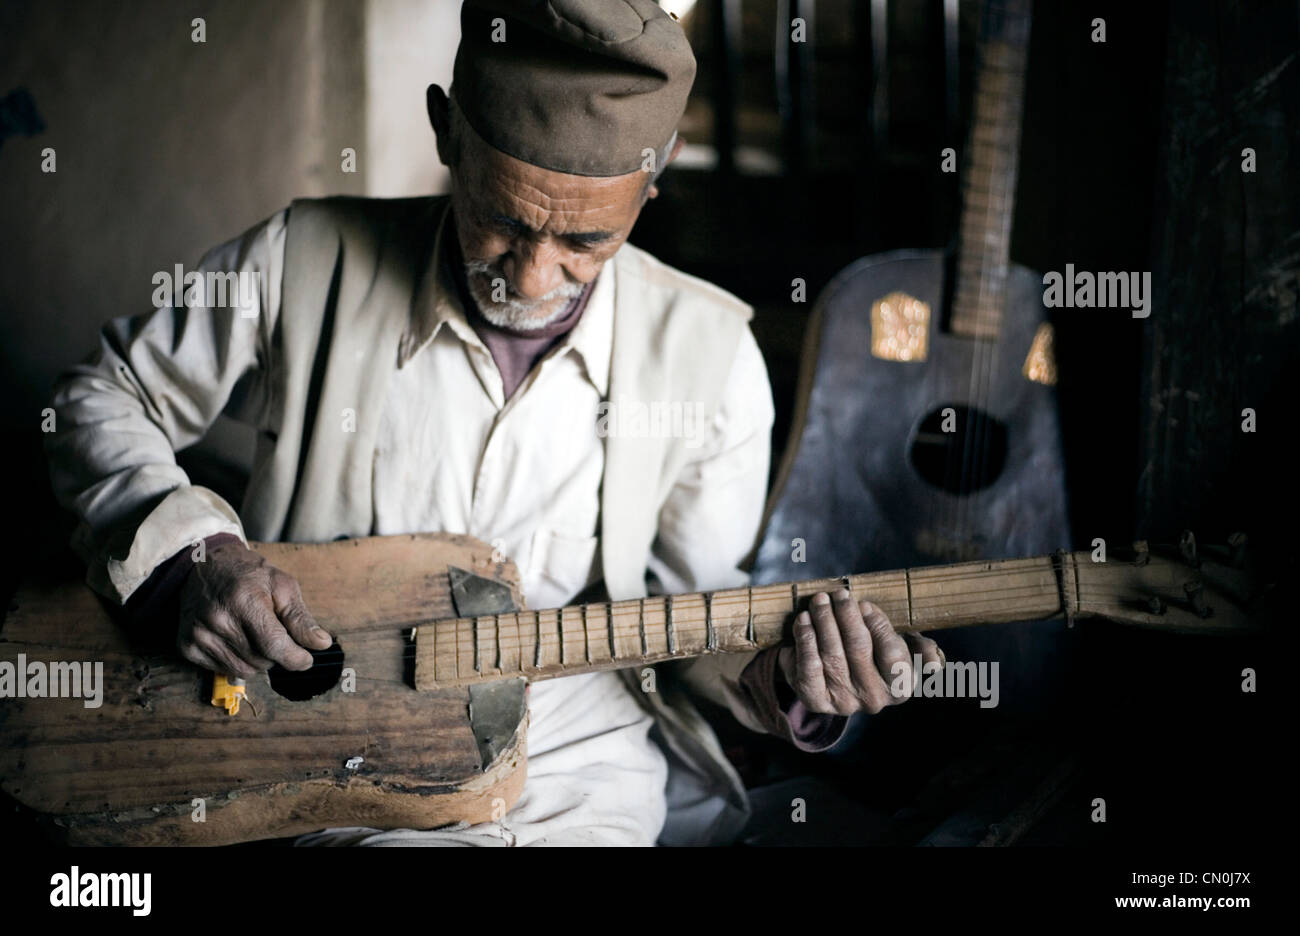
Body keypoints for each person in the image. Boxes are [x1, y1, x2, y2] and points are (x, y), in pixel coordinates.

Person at [45, 0, 940, 846]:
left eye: (586, 242)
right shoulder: (300, 260)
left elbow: (694, 621)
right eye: (502, 221)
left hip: (581, 766)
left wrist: (789, 678)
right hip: (333, 747)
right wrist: (195, 555)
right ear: (446, 131)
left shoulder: (711, 357)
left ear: (650, 187)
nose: (535, 277)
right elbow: (98, 395)